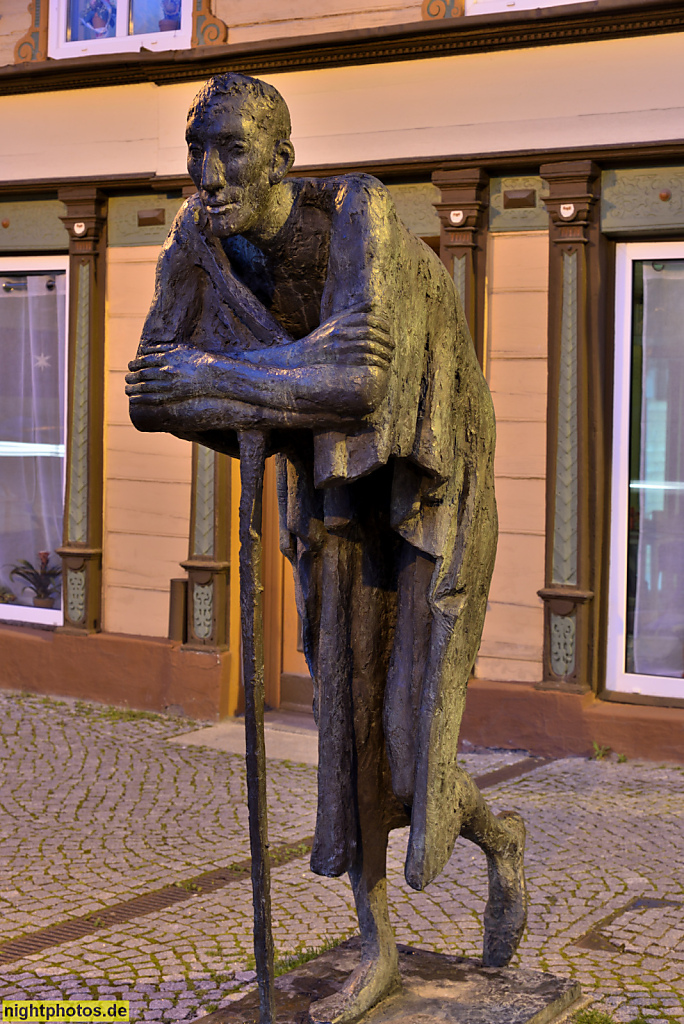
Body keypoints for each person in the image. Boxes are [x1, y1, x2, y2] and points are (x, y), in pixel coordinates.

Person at [126, 72, 527, 1024]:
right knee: (348, 723)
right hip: (338, 492)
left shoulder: (359, 213)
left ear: (281, 162)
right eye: (197, 153)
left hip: (432, 485)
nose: (208, 176)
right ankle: (378, 939)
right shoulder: (197, 243)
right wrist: (271, 385)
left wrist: (215, 377)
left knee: (412, 734)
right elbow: (150, 393)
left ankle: (497, 832)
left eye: (230, 151)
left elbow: (360, 376)